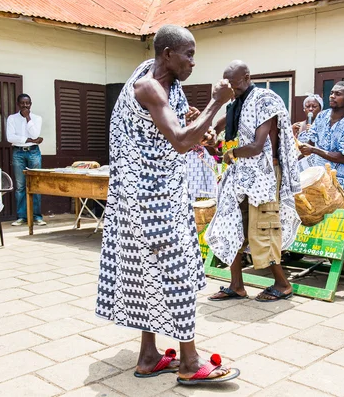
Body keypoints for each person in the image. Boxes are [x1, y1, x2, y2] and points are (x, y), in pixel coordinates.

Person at [95, 25, 239, 385]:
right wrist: (216, 102)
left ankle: (148, 356)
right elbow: (178, 141)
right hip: (149, 201)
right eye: (188, 54)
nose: (193, 61)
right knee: (177, 274)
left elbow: (169, 126)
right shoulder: (149, 86)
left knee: (150, 274)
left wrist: (191, 116)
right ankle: (190, 363)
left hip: (158, 195)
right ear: (167, 54)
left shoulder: (160, 79)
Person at [206, 60, 301, 302]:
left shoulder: (264, 99)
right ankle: (236, 285)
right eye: (228, 85)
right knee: (232, 224)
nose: (232, 89)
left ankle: (283, 284)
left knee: (263, 229)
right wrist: (208, 134)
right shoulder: (234, 104)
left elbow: (258, 146)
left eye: (235, 84)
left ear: (247, 77)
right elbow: (216, 130)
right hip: (239, 174)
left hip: (264, 177)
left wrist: (232, 153)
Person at [298, 81, 344, 198]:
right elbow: (310, 142)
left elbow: (342, 158)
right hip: (318, 181)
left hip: (341, 184)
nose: (332, 96)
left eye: (338, 94)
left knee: (338, 216)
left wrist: (313, 150)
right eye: (331, 93)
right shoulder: (321, 116)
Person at [7, 93, 46, 226]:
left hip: (34, 152)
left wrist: (28, 118)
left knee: (35, 183)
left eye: (27, 103)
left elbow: (35, 133)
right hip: (18, 152)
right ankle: (22, 216)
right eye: (22, 103)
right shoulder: (12, 118)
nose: (25, 105)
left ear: (31, 104)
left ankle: (37, 216)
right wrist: (29, 140)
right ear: (18, 104)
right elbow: (10, 138)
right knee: (20, 186)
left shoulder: (37, 118)